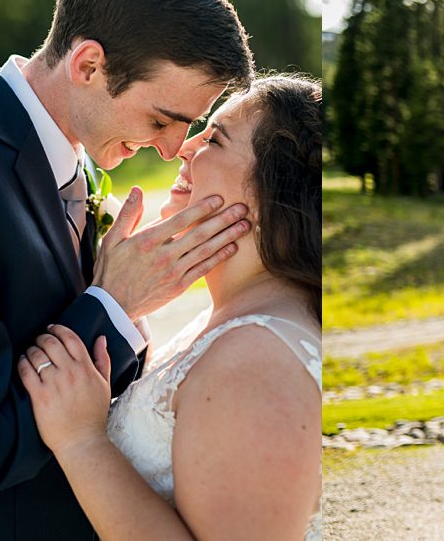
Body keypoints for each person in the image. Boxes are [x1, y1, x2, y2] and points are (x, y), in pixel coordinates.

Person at [0, 0, 257, 538]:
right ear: (89, 66)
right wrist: (111, 306)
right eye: (161, 120)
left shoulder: (75, 163)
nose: (174, 149)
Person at [19, 76, 325, 539]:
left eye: (214, 139)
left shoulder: (258, 362)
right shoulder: (232, 322)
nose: (183, 149)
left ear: (271, 195)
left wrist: (80, 441)